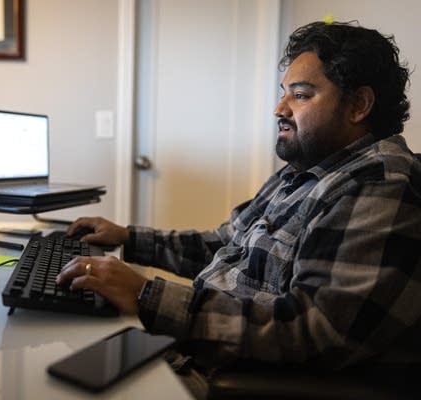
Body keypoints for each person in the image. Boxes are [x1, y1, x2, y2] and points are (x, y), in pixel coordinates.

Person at [57, 20, 421, 397]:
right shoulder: (302, 173)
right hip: (198, 352)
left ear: (358, 105)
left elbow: (317, 330)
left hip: (229, 381)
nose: (280, 108)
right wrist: (128, 238)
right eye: (284, 93)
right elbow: (225, 243)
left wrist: (147, 296)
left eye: (300, 95)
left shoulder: (379, 184)